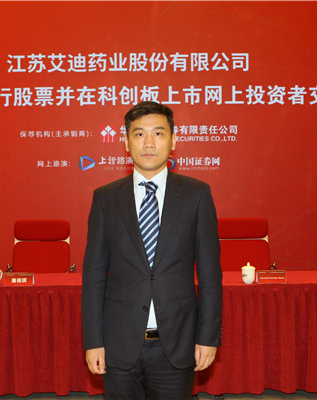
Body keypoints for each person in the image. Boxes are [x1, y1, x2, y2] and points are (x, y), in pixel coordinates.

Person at [81, 101, 223, 399]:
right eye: (139, 134)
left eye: (158, 133)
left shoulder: (197, 194)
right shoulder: (106, 199)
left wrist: (208, 337)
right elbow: (94, 277)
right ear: (126, 142)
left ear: (173, 141)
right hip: (118, 343)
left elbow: (210, 274)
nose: (148, 143)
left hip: (178, 343)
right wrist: (93, 341)